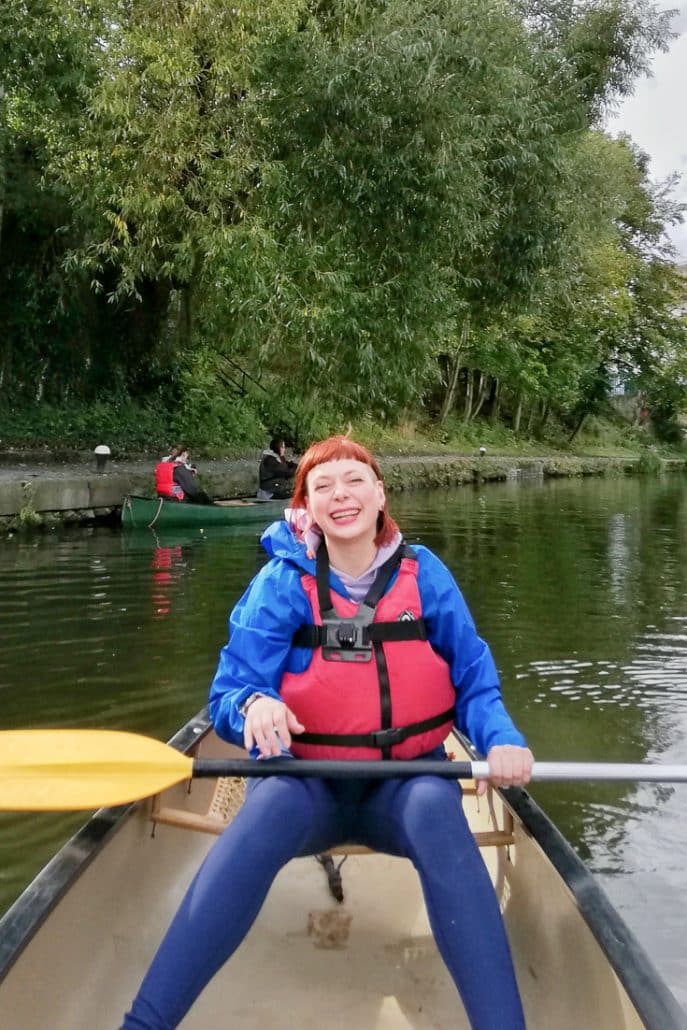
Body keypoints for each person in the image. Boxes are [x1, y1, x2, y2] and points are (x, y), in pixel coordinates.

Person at [123, 435, 534, 1030]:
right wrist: (254, 705)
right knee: (267, 810)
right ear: (307, 507)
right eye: (323, 486)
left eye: (354, 480)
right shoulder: (281, 582)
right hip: (304, 783)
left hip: (403, 783)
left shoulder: (428, 577)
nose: (341, 495)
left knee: (434, 808)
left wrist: (500, 738)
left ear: (380, 493)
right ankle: (143, 1024)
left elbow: (475, 683)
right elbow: (228, 694)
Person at [257, 435, 298, 499]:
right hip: (268, 493)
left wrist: (299, 466)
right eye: (282, 447)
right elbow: (284, 472)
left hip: (276, 488)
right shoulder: (269, 460)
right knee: (295, 494)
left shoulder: (277, 458)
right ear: (277, 447)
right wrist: (298, 470)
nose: (284, 449)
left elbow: (288, 464)